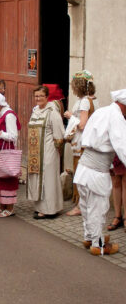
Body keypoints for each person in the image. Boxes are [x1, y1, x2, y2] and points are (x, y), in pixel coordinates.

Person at [74, 89, 126, 255]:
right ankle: (99, 245)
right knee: (98, 208)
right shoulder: (116, 117)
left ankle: (89, 237)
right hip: (96, 171)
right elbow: (122, 145)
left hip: (84, 167)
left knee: (87, 205)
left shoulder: (102, 111)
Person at [27, 86, 65, 218]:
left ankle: (50, 209)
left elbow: (59, 134)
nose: (38, 99)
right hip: (35, 152)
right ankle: (40, 207)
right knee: (38, 179)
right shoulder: (35, 111)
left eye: (41, 96)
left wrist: (56, 150)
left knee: (48, 180)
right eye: (36, 96)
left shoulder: (52, 112)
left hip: (48, 151)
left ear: (47, 97)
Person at [63, 70, 96, 216]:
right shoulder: (93, 99)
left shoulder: (84, 101)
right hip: (87, 142)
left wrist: (70, 116)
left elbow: (83, 124)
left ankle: (80, 205)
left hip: (82, 142)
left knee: (80, 174)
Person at [107, 154, 126, 231]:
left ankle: (125, 216)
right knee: (115, 182)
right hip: (114, 149)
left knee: (125, 181)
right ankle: (117, 216)